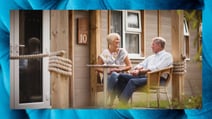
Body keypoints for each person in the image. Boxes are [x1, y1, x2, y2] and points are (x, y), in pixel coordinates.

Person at [116, 36, 173, 105]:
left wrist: (140, 71)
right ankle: (122, 100)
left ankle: (121, 104)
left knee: (132, 81)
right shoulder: (151, 57)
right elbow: (141, 64)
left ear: (159, 45)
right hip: (145, 77)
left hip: (158, 80)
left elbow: (156, 68)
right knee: (121, 76)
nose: (151, 47)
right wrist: (137, 69)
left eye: (153, 45)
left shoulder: (167, 56)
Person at [97, 33, 132, 105]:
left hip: (121, 76)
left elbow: (129, 66)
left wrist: (119, 70)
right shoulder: (105, 53)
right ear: (110, 42)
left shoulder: (122, 52)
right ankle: (113, 102)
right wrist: (107, 72)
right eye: (116, 40)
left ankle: (107, 98)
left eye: (118, 40)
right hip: (108, 76)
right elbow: (97, 67)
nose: (118, 41)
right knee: (113, 76)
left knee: (115, 75)